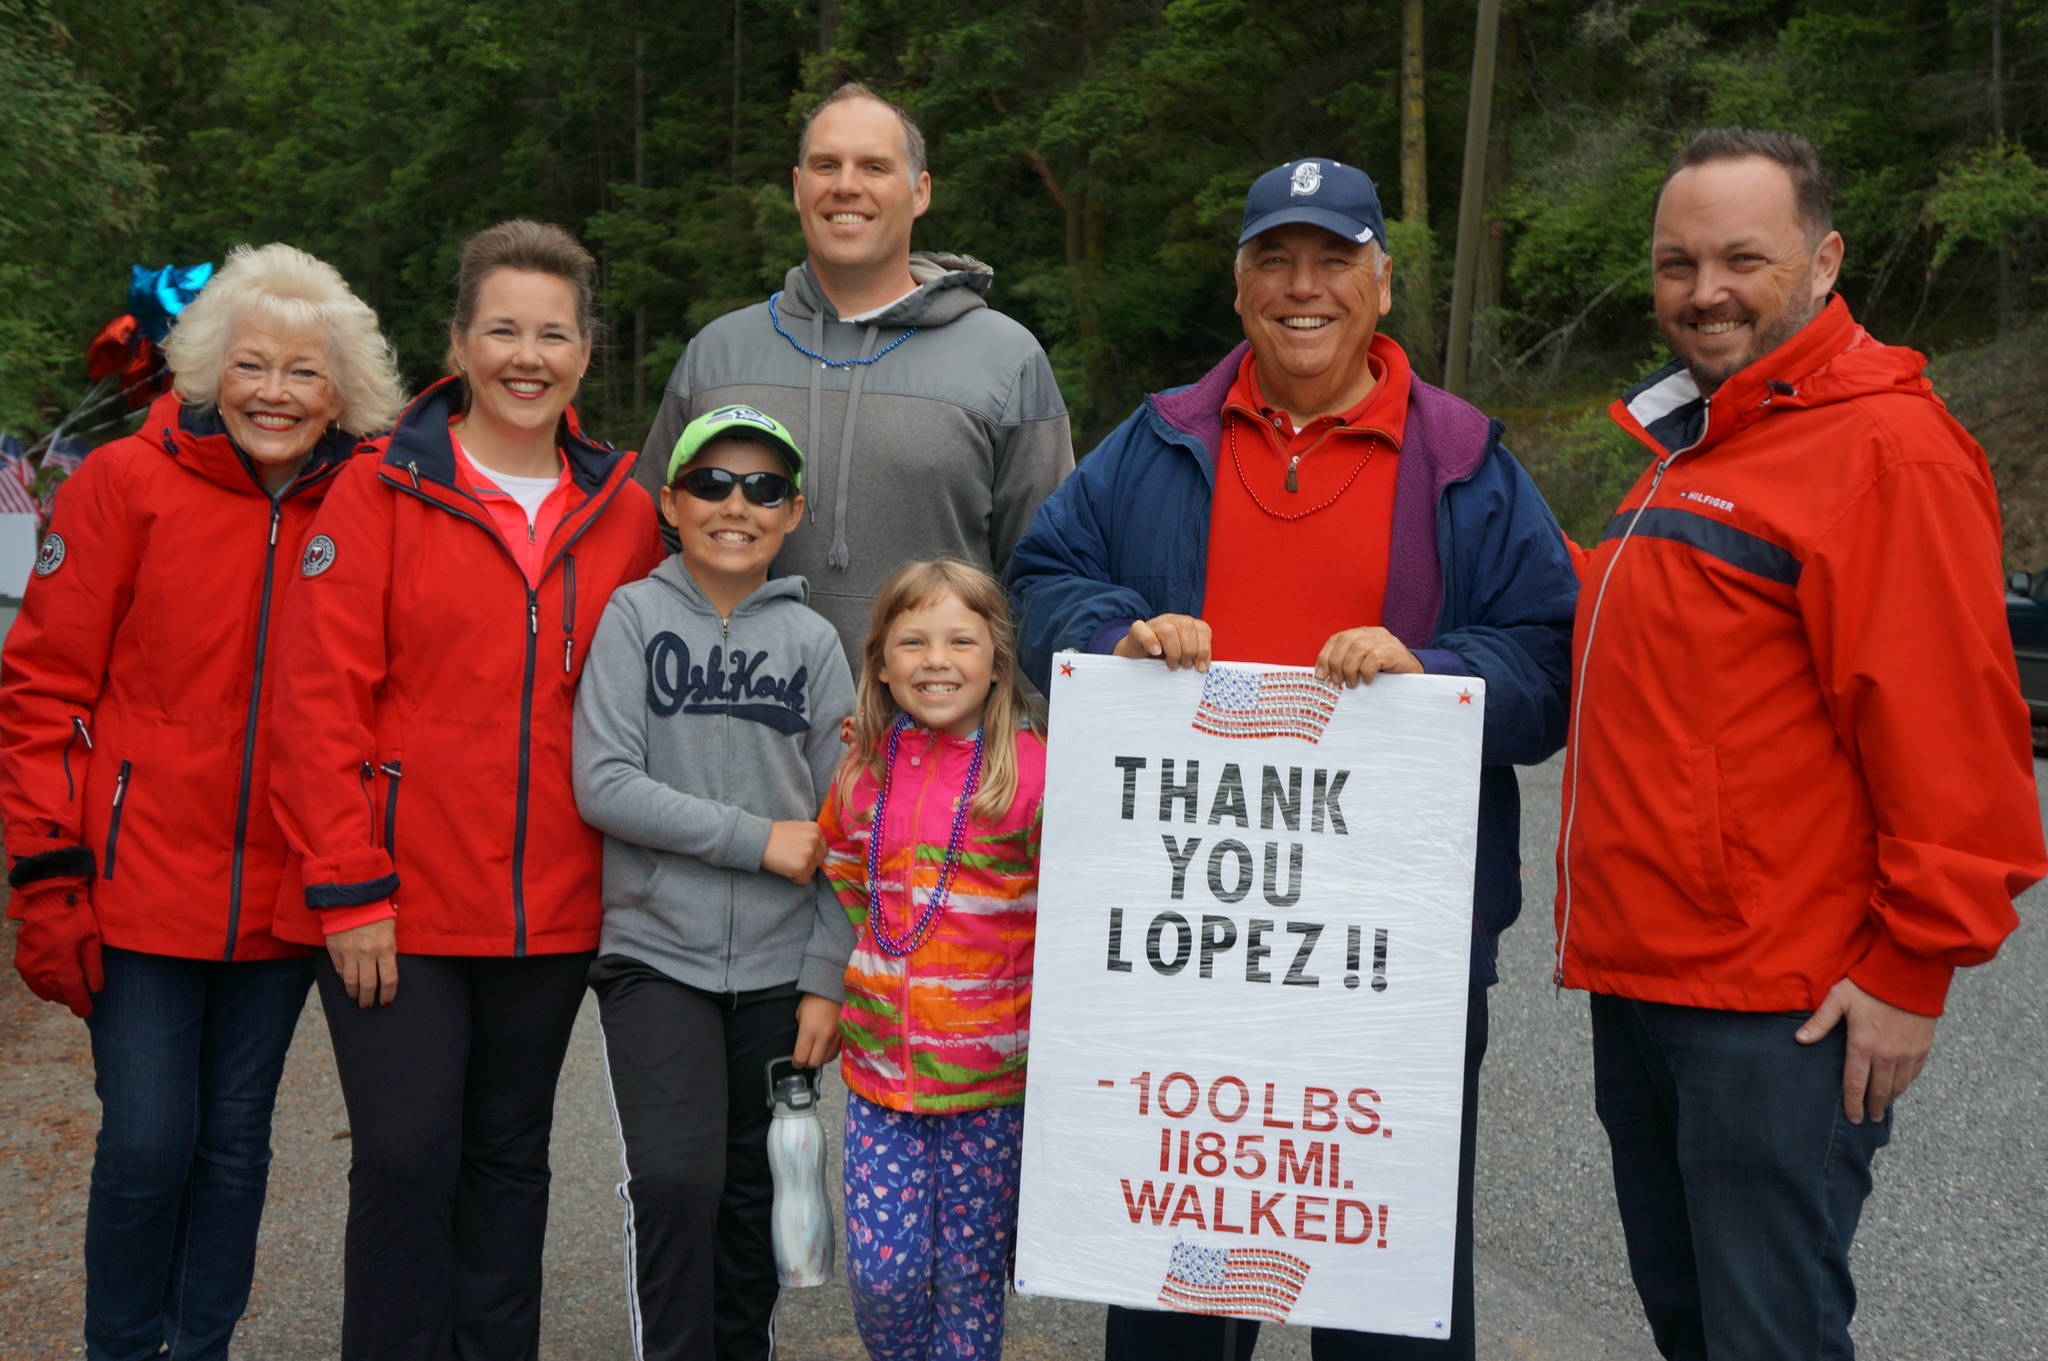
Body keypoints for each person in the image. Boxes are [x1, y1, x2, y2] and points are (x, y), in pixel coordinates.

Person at [1007, 158, 1578, 1360]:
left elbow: (1546, 659)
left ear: (1381, 282)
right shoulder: (1157, 438)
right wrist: (1117, 637)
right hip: (1185, 944)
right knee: (1173, 1271)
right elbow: (1043, 576)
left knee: (1383, 1283)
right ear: (1238, 288)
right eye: (1275, 258)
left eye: (1332, 259)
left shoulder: (1464, 458)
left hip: (1390, 954)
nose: (1301, 285)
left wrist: (1433, 668)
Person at [1553, 127, 2046, 1361]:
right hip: (1646, 976)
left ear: (1823, 261)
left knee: (1765, 1336)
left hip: (1779, 1005)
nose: (1702, 290)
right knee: (1692, 1322)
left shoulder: (1884, 451)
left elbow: (1951, 736)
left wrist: (1908, 969)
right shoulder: (1694, 444)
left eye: (1740, 258)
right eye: (1675, 263)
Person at [267, 219, 662, 1361]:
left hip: (551, 903)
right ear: (458, 341)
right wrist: (347, 886)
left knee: (508, 1158)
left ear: (586, 351)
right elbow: (314, 701)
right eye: (501, 329)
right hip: (398, 899)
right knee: (402, 1154)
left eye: (551, 332)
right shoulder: (382, 490)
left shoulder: (625, 508)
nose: (524, 356)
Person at [0, 242, 403, 1361]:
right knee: (144, 1141)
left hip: (282, 888)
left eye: (305, 373)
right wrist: (46, 868)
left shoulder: (369, 496)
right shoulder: (125, 481)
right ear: (210, 369)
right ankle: (123, 1346)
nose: (275, 392)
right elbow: (40, 685)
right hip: (138, 886)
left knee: (234, 1144)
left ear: (344, 391)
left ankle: (202, 1344)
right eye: (253, 365)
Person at [571, 405, 857, 1361]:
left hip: (782, 972)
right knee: (675, 1181)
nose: (737, 504)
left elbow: (848, 825)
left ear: (792, 511)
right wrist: (752, 840)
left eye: (764, 488)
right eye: (714, 483)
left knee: (754, 1192)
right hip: (655, 955)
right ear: (672, 501)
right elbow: (605, 783)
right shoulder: (632, 617)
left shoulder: (815, 644)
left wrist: (827, 972)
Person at [636, 81, 1073, 658]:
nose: (846, 185)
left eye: (873, 166)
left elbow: (1045, 572)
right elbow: (649, 548)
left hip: (933, 735)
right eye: (826, 165)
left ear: (919, 192)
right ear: (797, 188)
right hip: (746, 729)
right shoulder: (718, 354)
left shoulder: (1006, 359)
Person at [818, 558, 1046, 1361]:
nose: (937, 659)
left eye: (960, 639)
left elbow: (1065, 912)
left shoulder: (1030, 775)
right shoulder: (862, 771)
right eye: (912, 641)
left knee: (970, 1279)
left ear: (997, 661)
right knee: (884, 1275)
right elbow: (845, 869)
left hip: (991, 1084)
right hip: (883, 1079)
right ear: (882, 661)